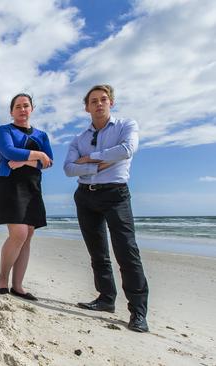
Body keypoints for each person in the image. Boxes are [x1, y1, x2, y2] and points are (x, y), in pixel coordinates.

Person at [63, 84, 149, 333]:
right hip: (85, 196)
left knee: (126, 251)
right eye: (93, 101)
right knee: (98, 252)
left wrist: (90, 158)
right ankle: (105, 299)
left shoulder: (126, 126)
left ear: (111, 102)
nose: (99, 104)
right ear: (87, 107)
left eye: (103, 99)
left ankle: (138, 312)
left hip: (115, 194)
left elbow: (127, 150)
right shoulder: (79, 138)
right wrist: (98, 166)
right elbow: (69, 168)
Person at [0, 93, 53, 301]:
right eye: (18, 106)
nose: (22, 109)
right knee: (18, 233)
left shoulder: (42, 135)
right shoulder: (4, 130)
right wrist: (38, 155)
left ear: (32, 109)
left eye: (26, 105)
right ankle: (2, 278)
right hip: (10, 184)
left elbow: (49, 162)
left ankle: (18, 286)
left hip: (32, 186)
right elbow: (9, 152)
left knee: (28, 236)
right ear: (11, 111)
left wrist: (26, 161)